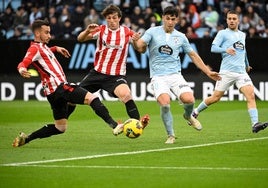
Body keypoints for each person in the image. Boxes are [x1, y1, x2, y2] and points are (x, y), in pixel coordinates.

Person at [12, 19, 123, 147]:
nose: (49, 35)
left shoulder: (43, 47)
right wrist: (22, 69)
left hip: (52, 94)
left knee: (60, 127)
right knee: (92, 98)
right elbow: (25, 61)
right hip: (59, 87)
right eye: (46, 33)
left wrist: (56, 48)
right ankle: (114, 125)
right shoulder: (34, 48)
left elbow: (45, 52)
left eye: (50, 32)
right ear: (37, 34)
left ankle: (27, 138)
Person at [132, 6, 221, 144]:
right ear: (163, 18)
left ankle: (188, 116)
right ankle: (171, 135)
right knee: (165, 104)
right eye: (167, 18)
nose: (170, 22)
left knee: (189, 99)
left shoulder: (181, 37)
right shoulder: (152, 32)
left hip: (175, 75)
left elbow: (193, 55)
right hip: (158, 76)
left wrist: (208, 72)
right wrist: (134, 41)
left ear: (177, 20)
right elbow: (140, 48)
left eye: (173, 19)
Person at [73, 4, 149, 135]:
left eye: (114, 18)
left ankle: (137, 125)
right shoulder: (101, 30)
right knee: (73, 97)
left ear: (119, 18)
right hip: (97, 73)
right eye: (109, 18)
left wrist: (136, 41)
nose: (112, 21)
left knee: (126, 95)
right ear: (106, 19)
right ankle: (61, 124)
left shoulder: (127, 32)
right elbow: (80, 39)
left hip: (116, 76)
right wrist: (86, 31)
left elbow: (142, 50)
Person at [192, 10, 267, 133]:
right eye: (229, 18)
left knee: (251, 95)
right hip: (226, 72)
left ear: (238, 20)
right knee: (215, 98)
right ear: (226, 20)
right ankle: (195, 111)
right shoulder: (223, 33)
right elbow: (213, 47)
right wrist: (225, 50)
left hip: (241, 72)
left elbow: (243, 51)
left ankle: (255, 124)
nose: (232, 20)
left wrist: (247, 64)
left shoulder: (242, 35)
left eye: (234, 18)